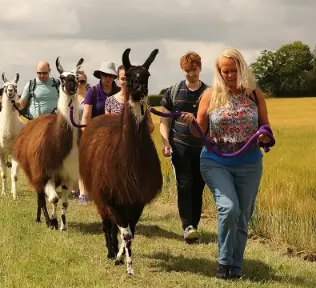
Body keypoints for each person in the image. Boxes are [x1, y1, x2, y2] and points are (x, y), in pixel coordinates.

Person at [179, 48, 272, 280]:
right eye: (225, 71)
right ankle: (223, 262)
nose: (229, 75)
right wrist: (191, 122)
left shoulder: (254, 94)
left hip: (249, 162)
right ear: (219, 72)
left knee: (242, 215)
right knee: (229, 208)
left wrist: (265, 136)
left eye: (233, 70)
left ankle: (235, 266)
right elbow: (198, 131)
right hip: (215, 161)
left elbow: (266, 126)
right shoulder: (210, 95)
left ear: (241, 69)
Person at [159, 51, 209, 244]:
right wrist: (165, 143)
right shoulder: (172, 92)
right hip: (179, 145)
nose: (191, 74)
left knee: (198, 186)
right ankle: (187, 226)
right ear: (183, 70)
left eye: (194, 70)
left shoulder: (209, 93)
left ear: (200, 68)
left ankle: (194, 225)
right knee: (184, 184)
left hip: (202, 147)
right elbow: (164, 121)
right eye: (188, 70)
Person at [78, 62, 121, 205]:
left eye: (110, 75)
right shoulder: (93, 91)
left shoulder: (119, 91)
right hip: (95, 131)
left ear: (114, 77)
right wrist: (85, 134)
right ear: (100, 76)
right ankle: (83, 193)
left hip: (115, 134)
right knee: (87, 161)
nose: (107, 78)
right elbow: (86, 115)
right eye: (104, 75)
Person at [104, 65, 155, 133]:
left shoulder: (141, 100)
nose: (127, 82)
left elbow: (151, 127)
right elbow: (107, 127)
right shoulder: (110, 101)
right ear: (118, 80)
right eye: (123, 79)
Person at [71, 70, 89, 200]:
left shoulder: (90, 96)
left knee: (83, 162)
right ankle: (74, 189)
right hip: (72, 133)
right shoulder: (70, 97)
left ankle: (84, 192)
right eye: (77, 81)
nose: (79, 83)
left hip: (86, 133)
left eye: (82, 81)